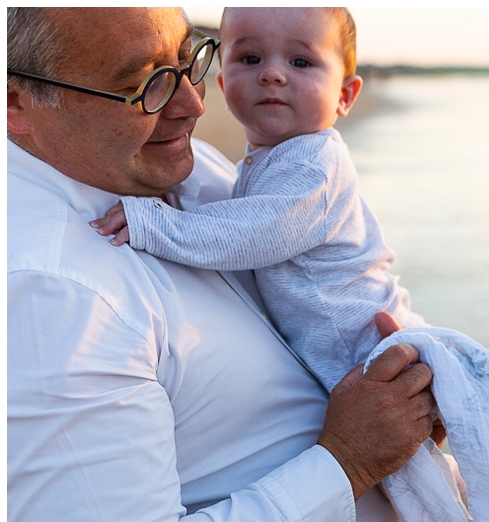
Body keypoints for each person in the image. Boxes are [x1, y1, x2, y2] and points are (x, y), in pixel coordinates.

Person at [7, 7, 435, 522]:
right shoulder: (48, 290)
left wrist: (403, 372)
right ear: (16, 102)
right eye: (145, 83)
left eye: (190, 59)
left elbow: (327, 287)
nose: (193, 102)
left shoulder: (180, 166)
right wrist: (348, 461)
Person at [90, 8, 423, 390]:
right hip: (332, 349)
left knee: (397, 439)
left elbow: (253, 233)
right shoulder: (270, 157)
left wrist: (154, 223)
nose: (271, 74)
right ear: (223, 81)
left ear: (344, 95)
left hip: (357, 347)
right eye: (250, 59)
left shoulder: (316, 166)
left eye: (300, 61)